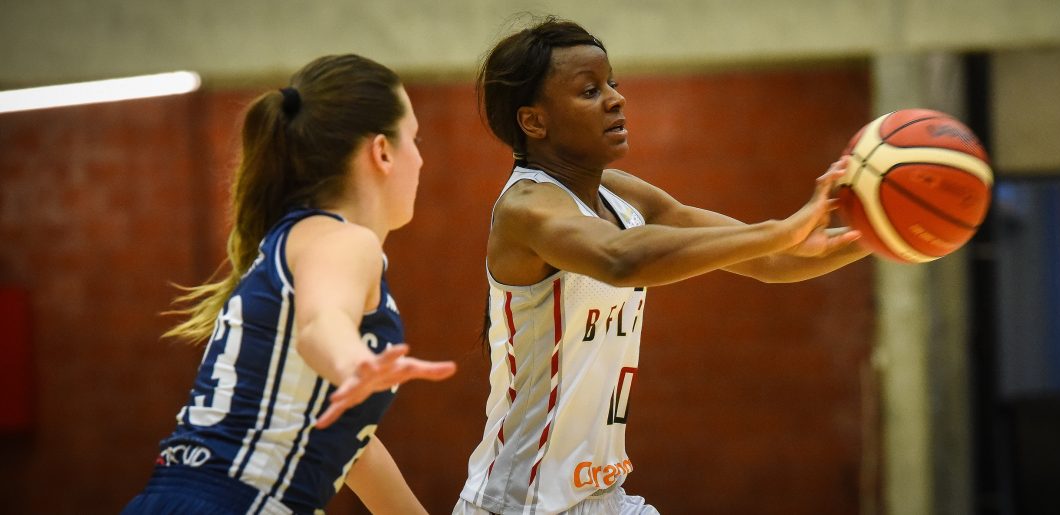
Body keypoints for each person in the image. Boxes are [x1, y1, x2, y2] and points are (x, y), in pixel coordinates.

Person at [455, 17, 869, 515]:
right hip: (521, 502)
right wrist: (782, 229)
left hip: (604, 496)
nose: (616, 99)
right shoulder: (526, 208)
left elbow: (768, 258)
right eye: (590, 90)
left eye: (612, 83)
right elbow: (621, 258)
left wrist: (882, 236)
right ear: (534, 122)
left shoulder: (621, 193)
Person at [122, 54, 457, 515]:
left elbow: (351, 447)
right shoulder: (344, 240)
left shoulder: (299, 237)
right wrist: (354, 362)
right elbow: (322, 323)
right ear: (382, 151)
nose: (419, 158)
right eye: (414, 139)